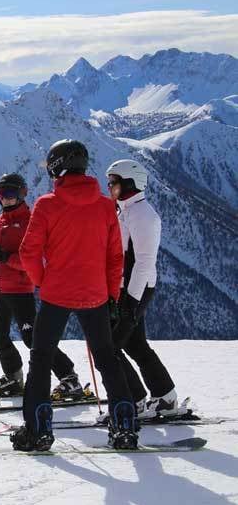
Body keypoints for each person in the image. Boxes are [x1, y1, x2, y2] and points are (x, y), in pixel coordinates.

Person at [12, 139, 138, 451]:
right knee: (107, 358)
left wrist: (44, 281)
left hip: (56, 294)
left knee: (41, 359)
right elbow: (115, 258)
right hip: (95, 295)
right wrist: (111, 295)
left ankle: (38, 429)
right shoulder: (106, 206)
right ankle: (124, 426)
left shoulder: (47, 205)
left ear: (57, 167)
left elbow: (29, 252)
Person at [0, 173, 83, 399]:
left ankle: (69, 377)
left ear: (21, 194)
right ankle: (14, 378)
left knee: (33, 339)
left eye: (10, 193)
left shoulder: (30, 222)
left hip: (20, 291)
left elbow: (32, 260)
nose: (5, 198)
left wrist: (5, 257)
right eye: (1, 194)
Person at [103, 159, 178, 419]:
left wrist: (131, 302)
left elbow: (144, 262)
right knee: (135, 345)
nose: (110, 186)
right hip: (126, 290)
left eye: (114, 182)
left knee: (110, 347)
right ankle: (164, 397)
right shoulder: (125, 211)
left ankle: (132, 400)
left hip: (136, 289)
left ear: (130, 183)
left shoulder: (143, 215)